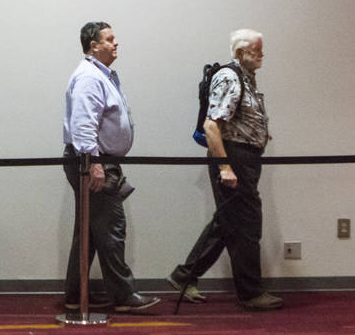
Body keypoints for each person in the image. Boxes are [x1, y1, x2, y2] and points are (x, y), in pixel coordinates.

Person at [167, 29, 283, 310]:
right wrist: (225, 167)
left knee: (228, 222)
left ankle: (184, 275)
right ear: (241, 52)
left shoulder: (246, 78)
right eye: (257, 50)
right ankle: (250, 293)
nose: (262, 55)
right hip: (234, 158)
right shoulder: (230, 77)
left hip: (244, 158)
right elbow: (211, 126)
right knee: (246, 225)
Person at [62, 21, 159, 313]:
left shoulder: (100, 75)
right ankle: (123, 295)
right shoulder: (90, 78)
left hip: (98, 159)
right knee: (112, 228)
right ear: (93, 46)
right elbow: (83, 123)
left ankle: (75, 294)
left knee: (89, 231)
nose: (116, 44)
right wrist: (94, 163)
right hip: (95, 161)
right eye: (109, 39)